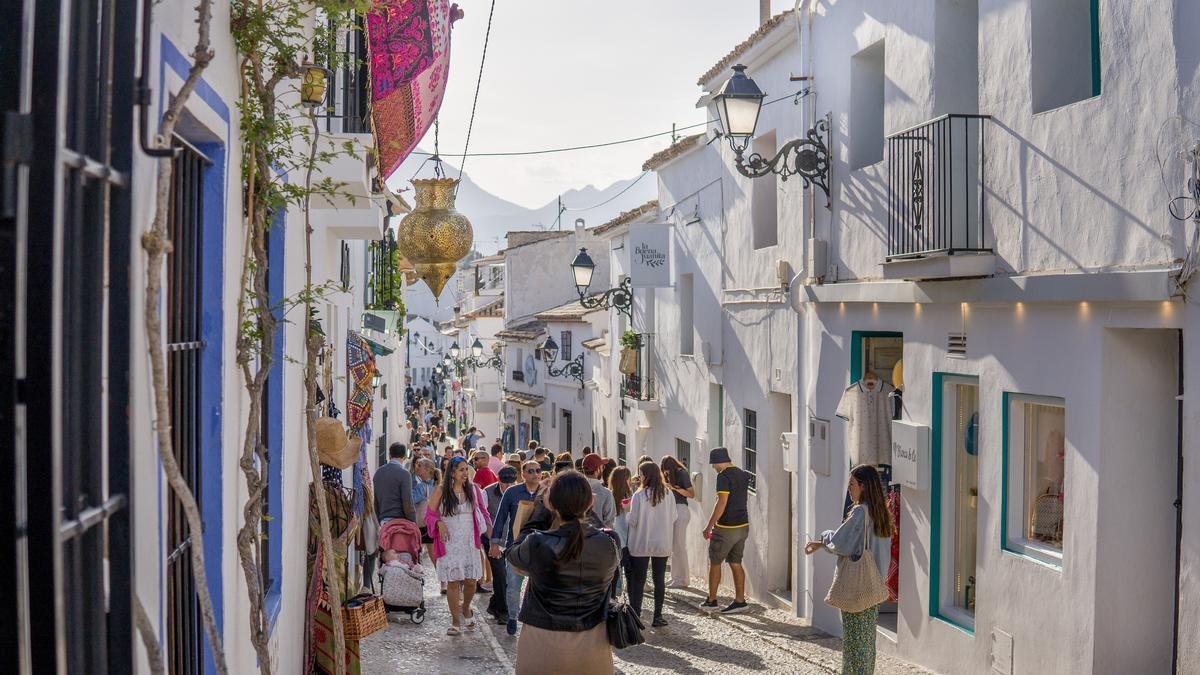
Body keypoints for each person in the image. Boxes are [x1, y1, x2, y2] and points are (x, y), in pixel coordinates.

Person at [506, 471, 620, 674]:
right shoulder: (610, 544)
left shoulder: (538, 542)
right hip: (593, 641)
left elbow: (514, 552)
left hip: (542, 642)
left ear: (552, 504)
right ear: (590, 503)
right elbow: (590, 529)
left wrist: (541, 507)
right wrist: (584, 507)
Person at [805, 465, 895, 675]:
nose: (849, 489)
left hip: (857, 585)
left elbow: (841, 542)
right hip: (874, 586)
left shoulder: (860, 512)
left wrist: (824, 538)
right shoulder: (880, 512)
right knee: (866, 643)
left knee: (854, 644)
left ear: (863, 486)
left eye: (852, 484)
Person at [425, 456, 492, 635]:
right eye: (461, 470)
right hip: (450, 543)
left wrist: (493, 539)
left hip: (470, 543)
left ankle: (466, 607)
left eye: (466, 469)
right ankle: (455, 621)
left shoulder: (474, 490)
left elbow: (484, 514)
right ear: (452, 473)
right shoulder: (441, 491)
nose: (465, 473)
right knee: (453, 583)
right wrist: (439, 523)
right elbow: (429, 515)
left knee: (471, 582)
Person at [489, 460, 545, 635]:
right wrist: (495, 542)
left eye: (538, 470)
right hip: (516, 546)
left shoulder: (547, 492)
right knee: (513, 585)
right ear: (523, 474)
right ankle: (513, 617)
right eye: (531, 471)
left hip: (541, 548)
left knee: (540, 586)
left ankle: (536, 621)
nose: (535, 473)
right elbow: (500, 518)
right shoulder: (512, 493)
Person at [701, 447, 751, 614]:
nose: (714, 467)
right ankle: (740, 601)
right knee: (736, 562)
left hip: (726, 527)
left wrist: (709, 526)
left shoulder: (723, 476)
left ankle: (712, 600)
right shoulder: (743, 474)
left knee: (715, 562)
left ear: (717, 462)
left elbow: (722, 502)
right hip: (743, 525)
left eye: (713, 464)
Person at [626, 462, 677, 627]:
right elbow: (674, 517)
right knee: (659, 579)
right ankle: (657, 616)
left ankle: (636, 615)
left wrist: (626, 514)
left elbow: (633, 521)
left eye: (640, 474)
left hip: (641, 542)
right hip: (662, 542)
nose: (639, 477)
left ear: (646, 476)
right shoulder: (668, 494)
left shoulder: (639, 495)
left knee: (638, 580)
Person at [483, 466, 517, 624]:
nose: (508, 486)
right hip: (492, 539)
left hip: (511, 540)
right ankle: (504, 612)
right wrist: (493, 541)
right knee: (500, 574)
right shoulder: (487, 493)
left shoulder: (519, 493)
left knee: (509, 576)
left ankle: (494, 605)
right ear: (498, 480)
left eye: (511, 483)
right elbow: (484, 518)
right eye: (505, 483)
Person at [660, 456, 695, 588]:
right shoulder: (670, 476)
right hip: (673, 511)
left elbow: (691, 494)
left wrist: (674, 488)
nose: (665, 474)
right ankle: (675, 577)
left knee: (680, 546)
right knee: (674, 546)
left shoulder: (682, 473)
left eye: (666, 470)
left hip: (681, 510)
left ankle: (684, 579)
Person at [607, 466, 634, 597]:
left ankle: (613, 599)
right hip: (626, 540)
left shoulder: (609, 494)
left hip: (614, 539)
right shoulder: (629, 496)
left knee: (614, 574)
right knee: (627, 572)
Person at [374, 443, 415, 524]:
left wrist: (380, 520)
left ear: (390, 455)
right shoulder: (405, 474)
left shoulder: (378, 472)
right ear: (404, 456)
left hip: (384, 521)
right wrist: (413, 521)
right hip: (400, 522)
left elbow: (376, 501)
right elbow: (407, 502)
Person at [411, 458, 438, 565]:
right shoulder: (435, 484)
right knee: (434, 555)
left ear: (426, 470)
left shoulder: (422, 486)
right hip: (433, 523)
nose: (416, 467)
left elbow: (411, 499)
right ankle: (443, 580)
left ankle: (417, 577)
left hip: (422, 524)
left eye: (419, 466)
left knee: (416, 553)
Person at [580, 453, 616, 529]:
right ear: (598, 469)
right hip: (598, 537)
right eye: (602, 467)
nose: (603, 469)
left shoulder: (575, 489)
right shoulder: (606, 494)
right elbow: (610, 523)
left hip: (576, 537)